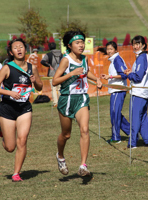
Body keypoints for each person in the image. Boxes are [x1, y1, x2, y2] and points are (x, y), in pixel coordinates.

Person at [0, 38, 43, 182]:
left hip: (24, 108)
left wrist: (35, 81)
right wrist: (10, 93)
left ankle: (16, 173)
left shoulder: (33, 68)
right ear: (11, 52)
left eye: (21, 47)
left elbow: (40, 87)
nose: (19, 49)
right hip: (7, 109)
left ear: (25, 49)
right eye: (15, 48)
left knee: (22, 140)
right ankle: (3, 134)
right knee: (10, 147)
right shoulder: (7, 67)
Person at [52, 30, 102, 176]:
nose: (81, 45)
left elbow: (86, 72)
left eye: (82, 42)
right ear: (69, 45)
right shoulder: (66, 60)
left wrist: (96, 79)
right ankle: (60, 156)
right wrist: (71, 74)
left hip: (81, 98)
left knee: (85, 130)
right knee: (66, 135)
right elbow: (55, 81)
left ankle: (83, 165)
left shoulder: (84, 59)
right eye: (77, 43)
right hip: (67, 99)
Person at [124, 36, 148, 148]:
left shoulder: (142, 57)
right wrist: (131, 72)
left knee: (135, 117)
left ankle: (132, 143)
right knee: (143, 117)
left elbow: (138, 77)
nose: (136, 46)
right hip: (144, 92)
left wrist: (129, 75)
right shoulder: (143, 57)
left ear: (143, 45)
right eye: (134, 44)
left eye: (138, 44)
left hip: (139, 93)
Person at [100, 41, 130, 144]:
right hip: (115, 90)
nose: (109, 51)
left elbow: (124, 75)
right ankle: (132, 131)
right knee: (115, 113)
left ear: (116, 50)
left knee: (114, 113)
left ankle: (116, 137)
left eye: (111, 49)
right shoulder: (113, 60)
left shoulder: (117, 59)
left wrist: (110, 77)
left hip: (118, 90)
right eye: (107, 49)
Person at [40, 42, 63, 107]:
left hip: (52, 74)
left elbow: (42, 61)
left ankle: (55, 103)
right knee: (60, 88)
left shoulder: (49, 54)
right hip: (60, 74)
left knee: (53, 88)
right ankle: (61, 102)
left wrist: (49, 65)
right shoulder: (61, 54)